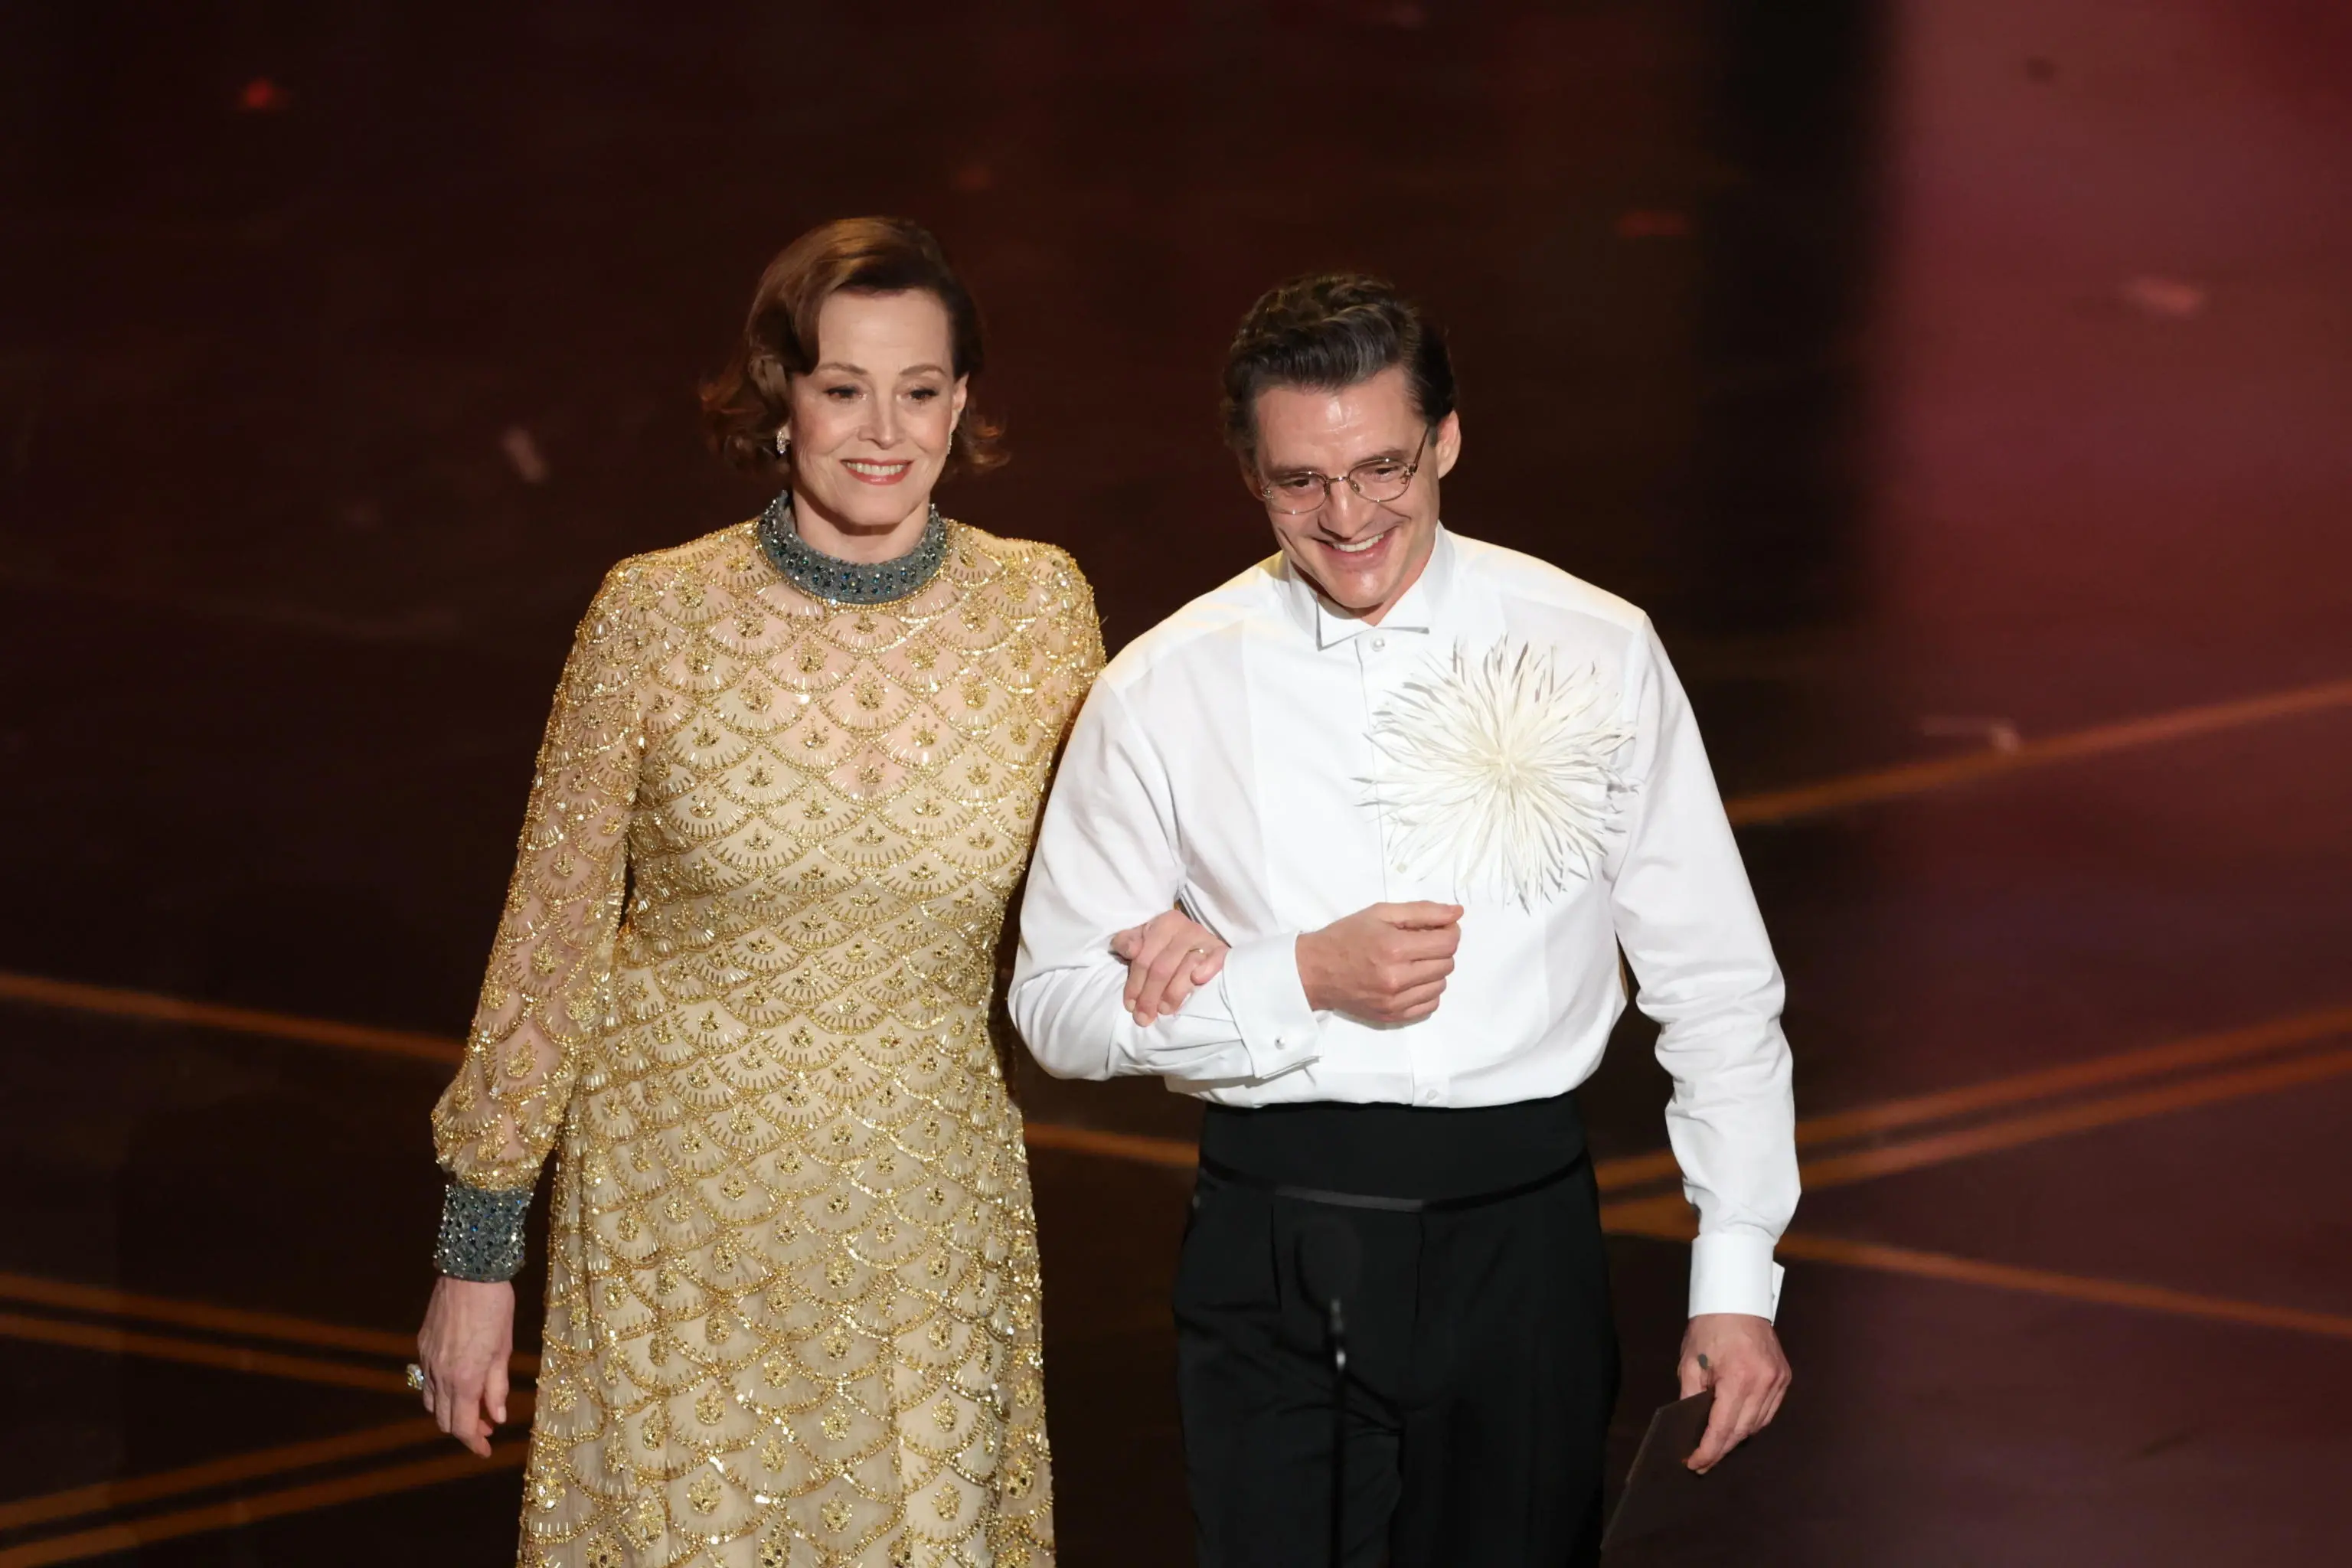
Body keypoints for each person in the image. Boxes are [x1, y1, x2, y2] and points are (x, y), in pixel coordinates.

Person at [409, 216, 1220, 1568]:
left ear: (964, 403)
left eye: (919, 390)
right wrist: (476, 1252)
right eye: (845, 387)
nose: (883, 429)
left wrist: (1189, 912)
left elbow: (1110, 870)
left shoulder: (1039, 608)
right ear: (780, 395)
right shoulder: (654, 613)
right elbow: (547, 942)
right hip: (678, 1201)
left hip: (923, 1193)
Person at [1010, 274, 1798, 1566]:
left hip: (1524, 1239)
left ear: (1445, 441)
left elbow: (1714, 983)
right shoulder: (1163, 687)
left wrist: (1737, 1276)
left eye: (1381, 467)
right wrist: (1295, 976)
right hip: (1274, 1240)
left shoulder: (1596, 646)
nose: (1348, 516)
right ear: (1249, 475)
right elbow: (1056, 1006)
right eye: (1300, 482)